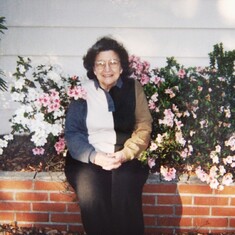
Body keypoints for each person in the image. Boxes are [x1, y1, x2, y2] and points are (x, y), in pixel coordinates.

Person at [64, 36, 153, 235]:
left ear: (121, 67)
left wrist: (125, 154)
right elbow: (73, 132)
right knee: (92, 194)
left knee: (125, 189)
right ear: (93, 68)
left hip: (126, 156)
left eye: (113, 62)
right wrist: (95, 156)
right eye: (101, 63)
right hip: (88, 159)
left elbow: (143, 126)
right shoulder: (82, 91)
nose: (107, 69)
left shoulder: (133, 88)